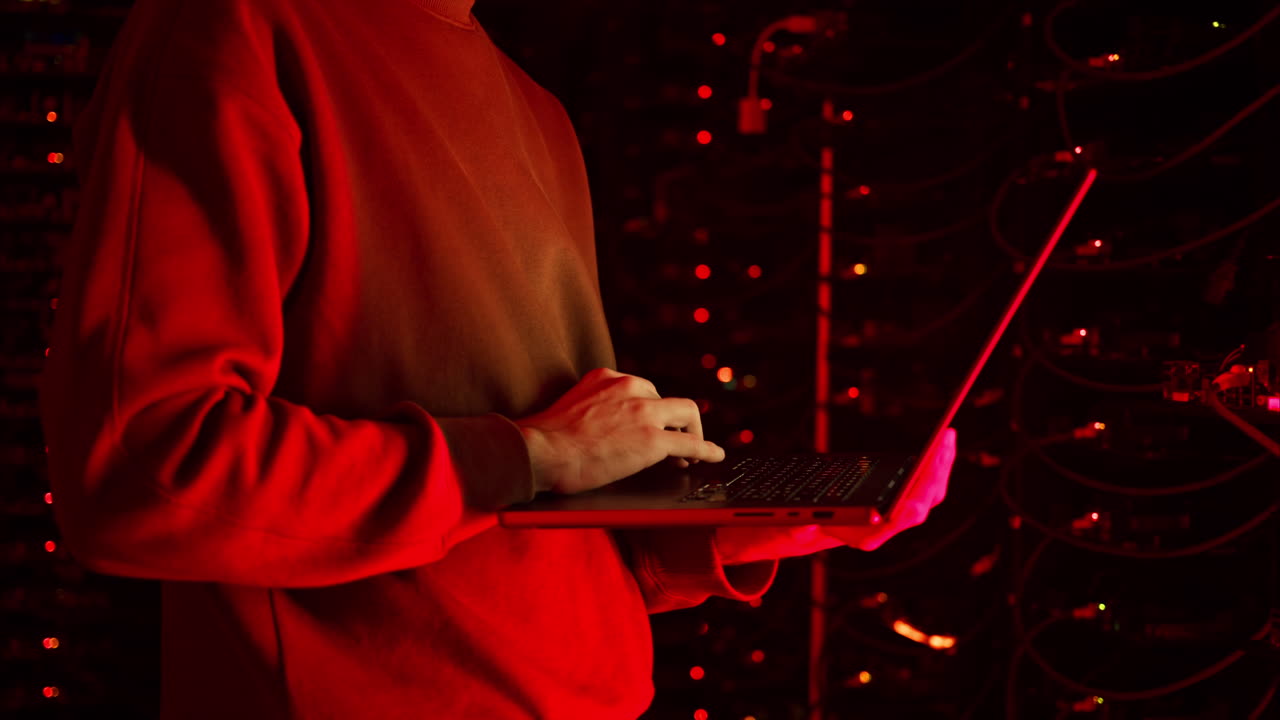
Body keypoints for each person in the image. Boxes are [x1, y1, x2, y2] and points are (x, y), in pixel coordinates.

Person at [37, 0, 956, 717]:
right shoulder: (241, 25)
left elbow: (512, 528)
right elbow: (145, 471)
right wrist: (530, 456)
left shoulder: (537, 110)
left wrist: (737, 529)